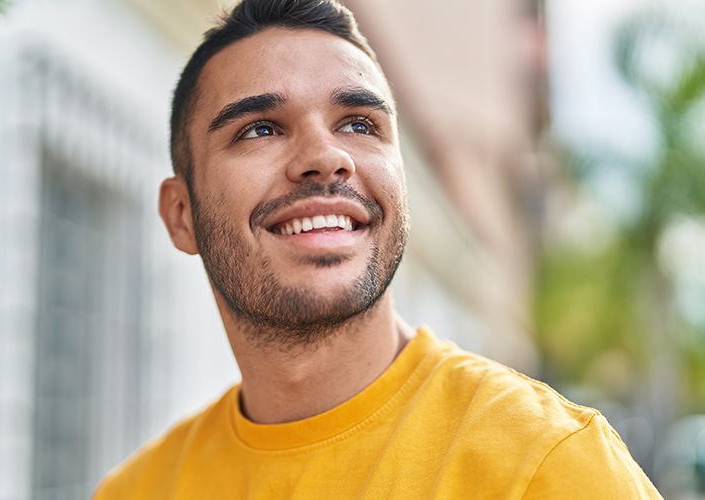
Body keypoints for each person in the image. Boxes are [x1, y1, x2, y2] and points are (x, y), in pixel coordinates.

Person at [95, 0, 662, 498]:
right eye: (260, 129)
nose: (325, 155)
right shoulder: (137, 491)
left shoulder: (547, 464)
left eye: (360, 124)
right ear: (181, 215)